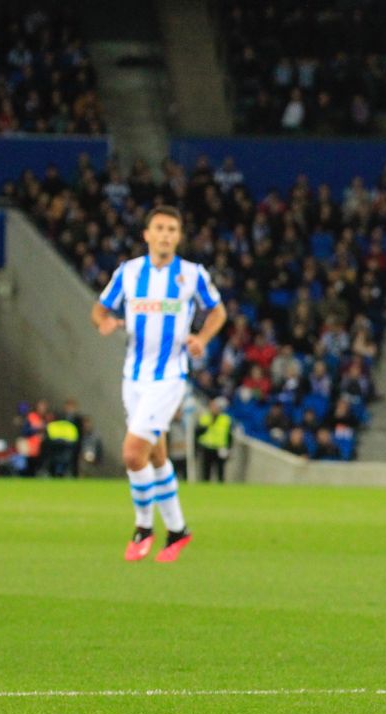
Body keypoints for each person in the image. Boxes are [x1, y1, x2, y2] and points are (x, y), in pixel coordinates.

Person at [91, 205, 227, 562]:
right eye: (160, 228)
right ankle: (179, 530)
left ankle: (143, 528)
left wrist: (203, 338)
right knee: (157, 455)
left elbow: (218, 311)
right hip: (133, 377)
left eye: (172, 229)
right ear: (147, 235)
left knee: (133, 453)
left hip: (169, 377)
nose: (166, 234)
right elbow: (99, 309)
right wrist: (103, 323)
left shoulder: (192, 275)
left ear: (178, 237)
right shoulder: (129, 272)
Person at [196, 396, 233, 482]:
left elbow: (229, 435)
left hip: (220, 448)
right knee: (206, 472)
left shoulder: (225, 419)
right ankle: (205, 489)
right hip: (207, 447)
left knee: (220, 472)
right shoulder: (205, 417)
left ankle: (221, 489)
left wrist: (229, 448)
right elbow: (198, 432)